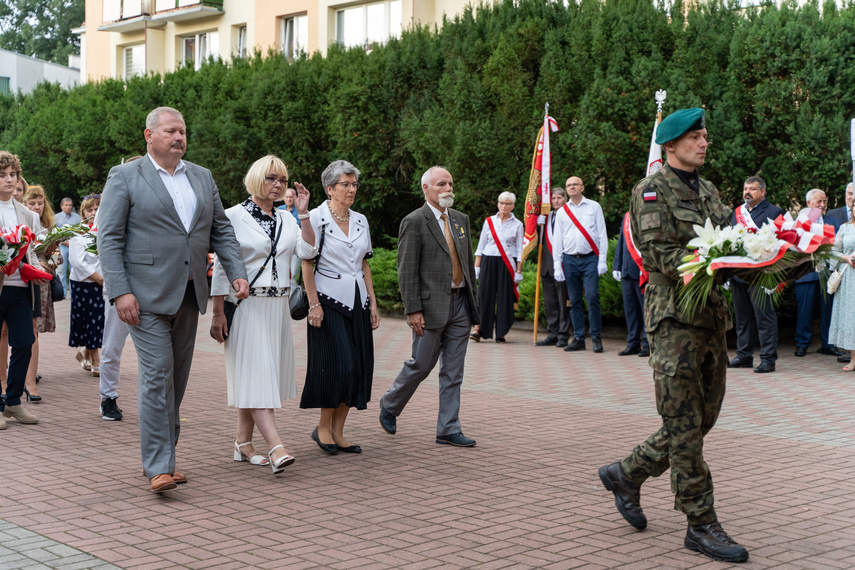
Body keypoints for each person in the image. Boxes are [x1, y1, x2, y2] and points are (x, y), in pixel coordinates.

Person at [598, 108, 749, 563]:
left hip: (709, 317)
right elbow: (661, 253)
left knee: (701, 419)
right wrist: (718, 260)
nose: (704, 144)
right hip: (674, 319)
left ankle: (627, 472)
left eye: (705, 136)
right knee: (684, 424)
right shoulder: (649, 190)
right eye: (695, 138)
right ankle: (701, 523)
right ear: (670, 146)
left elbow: (734, 236)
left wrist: (765, 257)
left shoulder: (708, 190)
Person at [98, 106, 248, 493]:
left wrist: (237, 272)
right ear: (149, 136)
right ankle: (159, 466)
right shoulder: (126, 176)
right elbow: (109, 238)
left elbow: (221, 230)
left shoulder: (202, 176)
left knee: (176, 379)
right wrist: (120, 290)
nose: (179, 137)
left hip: (187, 293)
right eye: (170, 131)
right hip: (141, 296)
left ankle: (165, 455)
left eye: (182, 131)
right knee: (157, 375)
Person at [212, 155, 317, 471]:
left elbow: (308, 251)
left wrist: (304, 214)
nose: (278, 184)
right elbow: (221, 266)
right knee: (258, 375)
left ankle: (243, 444)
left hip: (277, 308)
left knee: (256, 375)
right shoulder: (232, 216)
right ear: (257, 178)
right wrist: (218, 313)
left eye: (282, 180)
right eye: (272, 178)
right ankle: (276, 447)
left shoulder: (287, 219)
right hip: (246, 307)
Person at [379, 166, 479, 447]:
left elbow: (468, 266)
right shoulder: (414, 221)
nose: (448, 188)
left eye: (450, 183)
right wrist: (413, 309)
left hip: (460, 305)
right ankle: (390, 403)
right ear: (426, 188)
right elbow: (406, 269)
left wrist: (475, 308)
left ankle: (448, 428)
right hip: (430, 306)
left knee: (453, 371)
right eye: (440, 184)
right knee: (421, 365)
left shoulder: (461, 220)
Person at [301, 160, 379, 454]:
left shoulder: (360, 219)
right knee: (338, 367)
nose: (351, 189)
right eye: (345, 184)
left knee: (358, 368)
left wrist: (372, 303)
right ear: (329, 188)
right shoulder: (317, 218)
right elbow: (307, 264)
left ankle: (338, 430)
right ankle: (322, 427)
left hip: (358, 301)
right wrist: (313, 306)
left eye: (354, 184)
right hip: (329, 301)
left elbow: (364, 264)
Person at [96, 157, 143, 422]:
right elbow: (107, 242)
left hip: (153, 286)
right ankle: (108, 398)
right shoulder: (114, 199)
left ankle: (153, 401)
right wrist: (116, 287)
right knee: (113, 347)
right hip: (121, 286)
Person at [0, 151, 44, 430]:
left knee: (25, 342)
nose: (9, 179)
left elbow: (34, 251)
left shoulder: (26, 213)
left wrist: (41, 269)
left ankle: (13, 401)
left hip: (20, 287)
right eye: (3, 174)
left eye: (12, 174)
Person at [727, 177, 785, 373]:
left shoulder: (775, 212)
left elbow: (781, 243)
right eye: (745, 188)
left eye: (752, 188)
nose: (747, 192)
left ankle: (768, 359)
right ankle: (744, 355)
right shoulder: (737, 213)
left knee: (764, 317)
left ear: (763, 192)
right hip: (738, 273)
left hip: (761, 274)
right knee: (742, 317)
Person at [552, 176, 608, 352]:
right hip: (569, 259)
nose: (572, 187)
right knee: (574, 300)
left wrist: (602, 260)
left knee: (592, 297)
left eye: (575, 184)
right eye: (568, 185)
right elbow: (558, 239)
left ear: (582, 187)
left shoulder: (594, 206)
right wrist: (556, 265)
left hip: (590, 258)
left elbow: (602, 234)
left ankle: (596, 337)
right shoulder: (562, 211)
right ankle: (578, 338)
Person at [794, 189, 843, 358]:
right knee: (804, 311)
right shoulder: (799, 223)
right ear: (808, 204)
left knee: (827, 311)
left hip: (828, 273)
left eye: (824, 202)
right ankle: (802, 344)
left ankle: (828, 344)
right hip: (805, 273)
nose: (822, 205)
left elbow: (839, 245)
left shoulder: (833, 222)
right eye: (818, 202)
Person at [470, 191, 523, 343]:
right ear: (497, 204)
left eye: (507, 203)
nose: (503, 206)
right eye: (501, 202)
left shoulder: (518, 224)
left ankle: (501, 332)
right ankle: (478, 329)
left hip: (507, 263)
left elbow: (520, 249)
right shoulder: (489, 221)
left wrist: (519, 270)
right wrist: (477, 266)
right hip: (488, 260)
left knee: (504, 297)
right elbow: (481, 245)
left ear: (512, 206)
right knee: (484, 295)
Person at [22, 185, 59, 400]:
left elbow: (55, 259)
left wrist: (53, 247)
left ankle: (30, 376)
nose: (37, 207)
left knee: (34, 327)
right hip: (18, 275)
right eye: (32, 203)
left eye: (40, 203)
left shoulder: (47, 226)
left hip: (40, 280)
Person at [68, 195, 103, 377]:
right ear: (83, 212)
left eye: (97, 209)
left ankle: (85, 353)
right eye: (90, 210)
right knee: (89, 321)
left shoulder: (104, 230)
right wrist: (98, 278)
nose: (93, 213)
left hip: (102, 283)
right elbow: (77, 261)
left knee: (98, 321)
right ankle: (96, 359)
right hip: (83, 283)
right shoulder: (77, 232)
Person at [535, 187, 571, 348]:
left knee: (564, 302)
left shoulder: (569, 215)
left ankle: (563, 334)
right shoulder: (546, 217)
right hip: (547, 266)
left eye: (559, 198)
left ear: (565, 199)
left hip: (562, 265)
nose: (556, 201)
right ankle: (552, 333)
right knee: (550, 302)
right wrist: (538, 226)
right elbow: (538, 240)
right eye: (554, 198)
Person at [612, 211, 650, 357]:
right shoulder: (627, 216)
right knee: (631, 310)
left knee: (644, 309)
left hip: (642, 271)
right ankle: (633, 342)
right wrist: (617, 265)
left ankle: (647, 344)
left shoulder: (649, 213)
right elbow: (622, 242)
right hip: (627, 269)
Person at [828, 202, 855, 371]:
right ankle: (854, 359)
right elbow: (833, 251)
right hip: (849, 279)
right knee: (851, 317)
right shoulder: (845, 228)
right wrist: (846, 258)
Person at [54, 197, 81, 297]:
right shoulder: (55, 218)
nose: (68, 207)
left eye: (70, 205)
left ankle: (74, 294)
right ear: (61, 206)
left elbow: (81, 231)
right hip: (61, 247)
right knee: (60, 270)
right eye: (66, 205)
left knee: (74, 270)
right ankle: (62, 294)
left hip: (74, 246)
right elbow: (53, 232)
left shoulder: (77, 217)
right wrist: (63, 241)